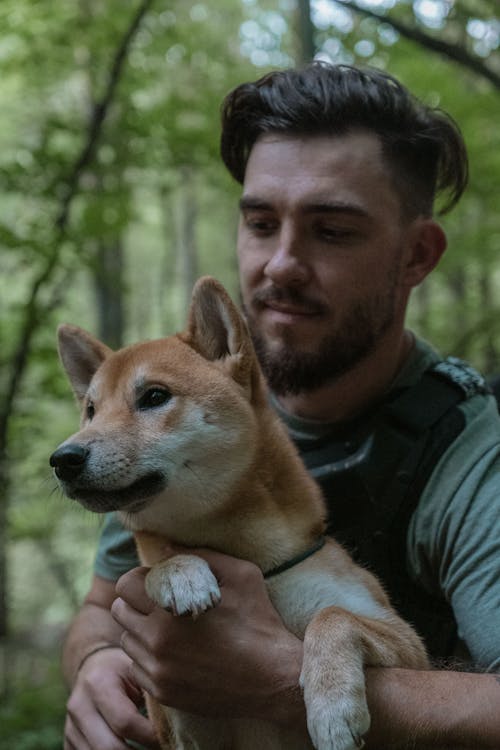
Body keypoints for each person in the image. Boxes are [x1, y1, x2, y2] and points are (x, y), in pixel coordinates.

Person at [61, 63, 500, 750]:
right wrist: (96, 662)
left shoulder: (469, 449)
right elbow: (98, 606)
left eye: (332, 231)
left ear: (417, 255)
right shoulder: (175, 429)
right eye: (262, 223)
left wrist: (276, 678)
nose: (281, 264)